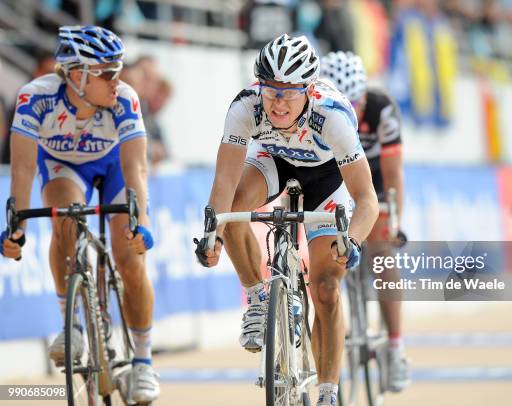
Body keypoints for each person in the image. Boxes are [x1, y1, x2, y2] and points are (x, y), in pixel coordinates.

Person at [195, 34, 378, 406]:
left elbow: (366, 199)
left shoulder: (333, 116)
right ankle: (258, 298)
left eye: (290, 92)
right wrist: (212, 233)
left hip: (326, 175)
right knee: (232, 210)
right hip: (274, 160)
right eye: (272, 90)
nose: (279, 102)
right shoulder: (246, 106)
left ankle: (328, 390)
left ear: (309, 89)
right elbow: (224, 183)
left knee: (326, 287)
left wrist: (354, 241)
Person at [0, 25, 160, 403]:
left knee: (129, 257)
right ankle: (72, 326)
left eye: (117, 69)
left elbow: (137, 169)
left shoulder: (124, 98)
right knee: (65, 221)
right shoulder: (34, 98)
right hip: (64, 166)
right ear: (76, 75)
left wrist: (143, 221)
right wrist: (15, 225)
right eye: (106, 72)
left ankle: (143, 361)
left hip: (116, 165)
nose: (116, 79)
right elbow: (22, 170)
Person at [320, 50, 411, 392]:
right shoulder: (318, 110)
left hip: (372, 174)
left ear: (364, 96)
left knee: (382, 251)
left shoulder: (381, 108)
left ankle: (396, 345)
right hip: (336, 175)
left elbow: (393, 173)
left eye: (355, 103)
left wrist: (394, 216)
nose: (352, 111)